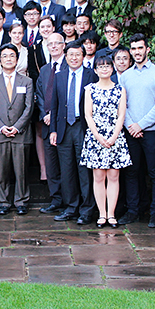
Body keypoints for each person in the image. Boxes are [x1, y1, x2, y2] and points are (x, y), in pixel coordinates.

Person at [119, 34, 155, 228]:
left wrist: (141, 125)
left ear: (147, 49)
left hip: (152, 132)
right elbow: (123, 105)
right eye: (134, 49)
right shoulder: (126, 76)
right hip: (131, 131)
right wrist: (132, 125)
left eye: (140, 48)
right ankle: (133, 211)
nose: (137, 52)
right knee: (132, 173)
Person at [50, 41, 99, 225]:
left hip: (83, 127)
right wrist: (53, 129)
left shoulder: (91, 75)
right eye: (70, 54)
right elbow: (54, 105)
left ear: (83, 56)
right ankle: (71, 207)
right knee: (67, 170)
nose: (74, 58)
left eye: (78, 54)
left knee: (84, 170)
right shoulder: (60, 76)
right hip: (64, 128)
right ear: (66, 55)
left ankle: (86, 210)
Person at [80, 56, 131, 229]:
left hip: (115, 136)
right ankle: (102, 214)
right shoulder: (90, 89)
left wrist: (114, 136)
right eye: (100, 66)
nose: (104, 69)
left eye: (107, 66)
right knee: (99, 176)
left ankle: (112, 214)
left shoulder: (120, 89)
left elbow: (121, 115)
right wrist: (99, 137)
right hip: (96, 137)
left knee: (114, 175)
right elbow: (88, 115)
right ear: (95, 70)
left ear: (113, 68)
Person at [0, 44, 34, 215]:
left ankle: (21, 201)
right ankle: (3, 202)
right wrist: (1, 127)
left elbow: (29, 108)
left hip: (21, 134)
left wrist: (16, 127)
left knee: (21, 171)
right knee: (2, 171)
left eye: (12, 56)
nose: (8, 59)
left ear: (17, 59)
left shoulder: (27, 81)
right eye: (5, 56)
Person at [36, 32, 68, 213]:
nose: (54, 46)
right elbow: (40, 94)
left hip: (63, 125)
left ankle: (70, 201)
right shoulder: (45, 69)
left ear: (64, 45)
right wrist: (45, 114)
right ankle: (55, 199)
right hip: (47, 124)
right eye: (50, 44)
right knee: (51, 165)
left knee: (66, 164)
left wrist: (54, 115)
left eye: (57, 43)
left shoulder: (69, 66)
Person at [28, 16, 56, 83]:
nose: (45, 29)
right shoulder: (33, 49)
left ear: (53, 28)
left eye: (48, 26)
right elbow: (32, 72)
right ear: (39, 30)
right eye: (42, 27)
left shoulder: (61, 47)